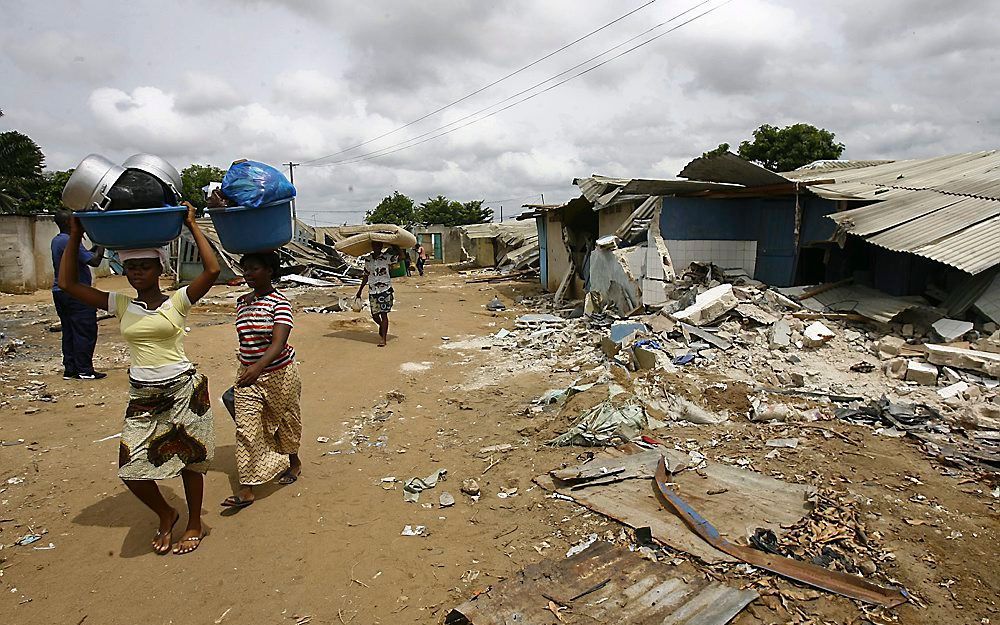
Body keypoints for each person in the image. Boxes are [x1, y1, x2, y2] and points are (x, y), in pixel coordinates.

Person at [58, 203, 220, 555]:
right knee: (130, 468)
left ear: (159, 268)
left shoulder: (177, 301)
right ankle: (167, 513)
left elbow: (211, 269)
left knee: (189, 461)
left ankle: (194, 522)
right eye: (131, 267)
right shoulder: (120, 304)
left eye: (144, 266)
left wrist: (192, 224)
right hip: (144, 395)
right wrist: (74, 235)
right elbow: (67, 283)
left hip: (182, 390)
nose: (136, 273)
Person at [222, 251, 302, 509]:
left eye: (254, 269)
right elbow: (244, 340)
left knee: (284, 421)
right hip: (248, 375)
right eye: (245, 269)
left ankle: (293, 461)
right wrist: (251, 368)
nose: (247, 274)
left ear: (269, 271)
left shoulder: (280, 303)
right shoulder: (242, 302)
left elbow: (279, 342)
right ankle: (247, 488)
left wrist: (259, 366)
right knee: (246, 427)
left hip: (280, 373)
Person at [51, 210, 106, 380]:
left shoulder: (58, 240)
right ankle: (85, 370)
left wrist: (95, 245)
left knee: (69, 331)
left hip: (60, 292)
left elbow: (84, 255)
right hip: (77, 293)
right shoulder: (68, 240)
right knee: (85, 330)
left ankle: (71, 369)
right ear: (70, 223)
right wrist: (103, 242)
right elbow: (94, 261)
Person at [356, 241, 397, 347]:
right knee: (374, 315)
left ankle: (383, 338)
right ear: (372, 247)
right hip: (373, 290)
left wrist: (396, 245)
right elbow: (366, 275)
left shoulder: (387, 257)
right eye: (375, 245)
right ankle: (381, 326)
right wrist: (360, 290)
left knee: (384, 314)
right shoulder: (368, 259)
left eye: (379, 245)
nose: (377, 247)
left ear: (382, 246)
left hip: (385, 289)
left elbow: (401, 257)